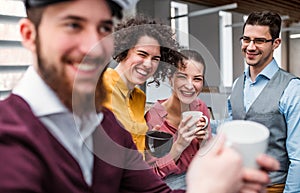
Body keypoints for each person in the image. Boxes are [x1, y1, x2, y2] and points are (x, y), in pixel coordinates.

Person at [0, 0, 280, 192]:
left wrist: (219, 185)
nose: (93, 46)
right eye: (73, 25)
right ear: (29, 34)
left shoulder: (105, 123)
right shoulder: (8, 137)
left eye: (104, 28)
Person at [227, 11, 300, 192]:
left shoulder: (292, 88)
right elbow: (231, 132)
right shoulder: (237, 84)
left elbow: (298, 156)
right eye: (246, 39)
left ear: (276, 43)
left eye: (259, 41)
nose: (250, 47)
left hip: (274, 187)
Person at [101, 15, 182, 154]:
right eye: (142, 54)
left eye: (155, 59)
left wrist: (147, 141)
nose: (148, 64)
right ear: (124, 51)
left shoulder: (139, 97)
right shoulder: (100, 86)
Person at [145, 49, 212, 190]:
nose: (190, 85)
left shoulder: (200, 107)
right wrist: (179, 145)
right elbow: (151, 174)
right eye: (182, 77)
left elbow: (207, 160)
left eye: (197, 79)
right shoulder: (153, 117)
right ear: (170, 78)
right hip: (168, 184)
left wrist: (204, 142)